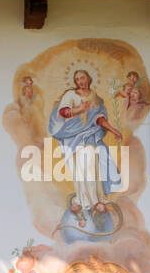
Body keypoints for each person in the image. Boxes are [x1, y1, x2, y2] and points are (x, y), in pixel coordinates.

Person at [49, 68, 123, 214]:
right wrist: (79, 109)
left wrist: (114, 130)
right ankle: (82, 200)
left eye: (82, 78)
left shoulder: (95, 97)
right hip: (73, 137)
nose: (80, 82)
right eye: (77, 79)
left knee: (91, 164)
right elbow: (63, 112)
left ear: (88, 79)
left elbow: (99, 118)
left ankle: (96, 199)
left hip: (89, 136)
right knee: (79, 168)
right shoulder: (71, 94)